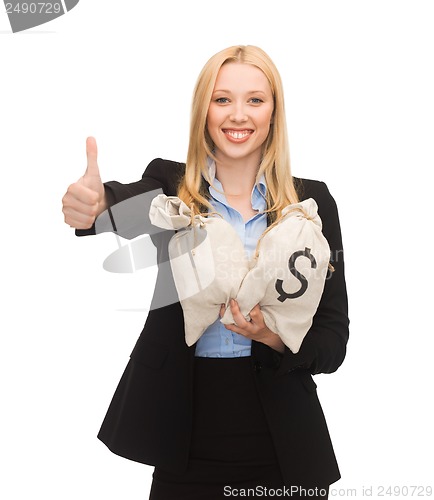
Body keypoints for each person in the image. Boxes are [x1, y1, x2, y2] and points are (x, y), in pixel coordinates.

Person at [62, 45, 349, 499]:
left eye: (255, 99)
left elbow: (333, 338)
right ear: (203, 110)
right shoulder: (171, 185)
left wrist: (273, 338)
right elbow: (130, 208)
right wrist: (99, 206)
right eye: (222, 99)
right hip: (185, 436)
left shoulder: (311, 204)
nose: (239, 114)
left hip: (285, 442)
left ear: (274, 111)